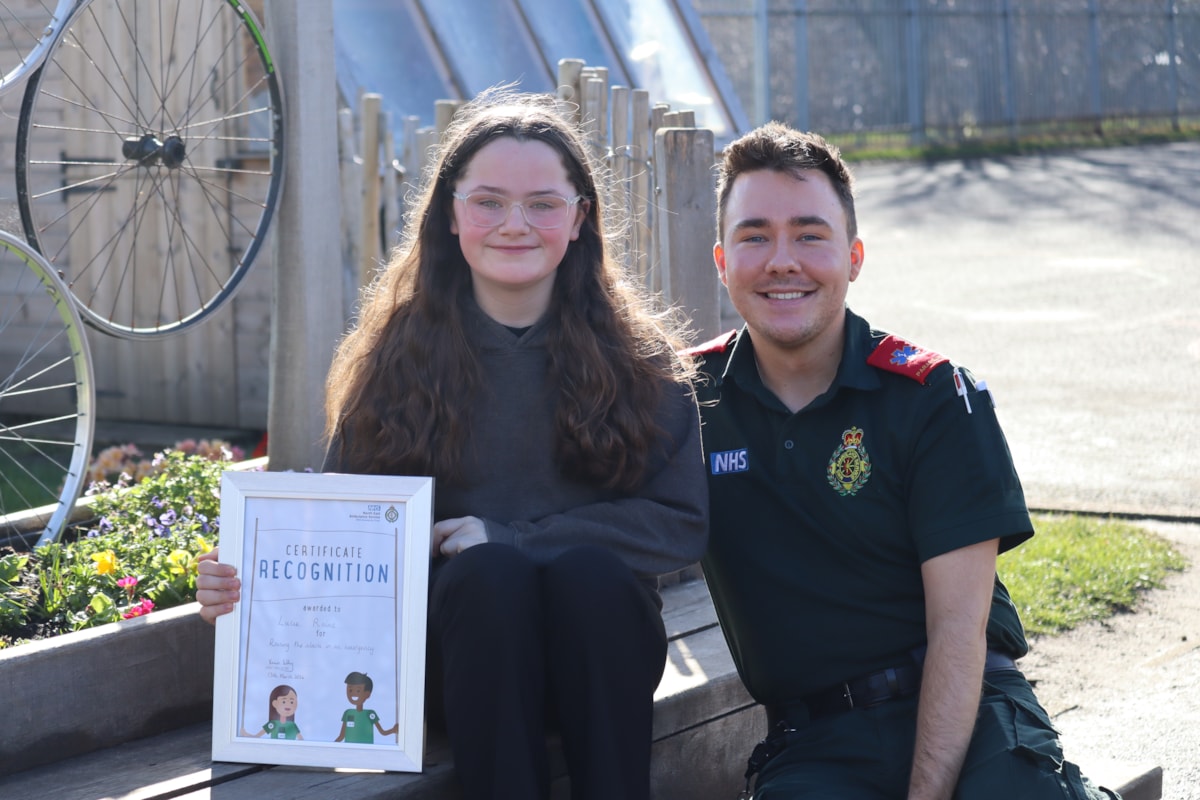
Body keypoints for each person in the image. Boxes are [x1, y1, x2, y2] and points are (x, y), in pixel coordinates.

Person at [196, 89, 708, 800]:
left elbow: (680, 523)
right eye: (489, 202)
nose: (514, 224)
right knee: (487, 578)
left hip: (599, 665)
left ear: (580, 218)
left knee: (588, 576)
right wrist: (243, 581)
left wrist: (514, 536)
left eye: (543, 204)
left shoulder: (640, 361)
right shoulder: (394, 362)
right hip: (456, 671)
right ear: (449, 212)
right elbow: (338, 532)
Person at [689, 122, 1119, 799]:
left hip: (971, 711)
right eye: (755, 236)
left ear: (854, 257)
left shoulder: (931, 397)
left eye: (809, 235)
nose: (782, 260)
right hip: (817, 742)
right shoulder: (683, 400)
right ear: (722, 261)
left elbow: (958, 629)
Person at [335, 672, 397, 744]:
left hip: (367, 749)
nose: (353, 694)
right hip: (350, 748)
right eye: (350, 690)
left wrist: (393, 730)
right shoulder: (348, 713)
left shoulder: (370, 714)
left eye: (358, 691)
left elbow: (382, 732)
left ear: (367, 694)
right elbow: (341, 736)